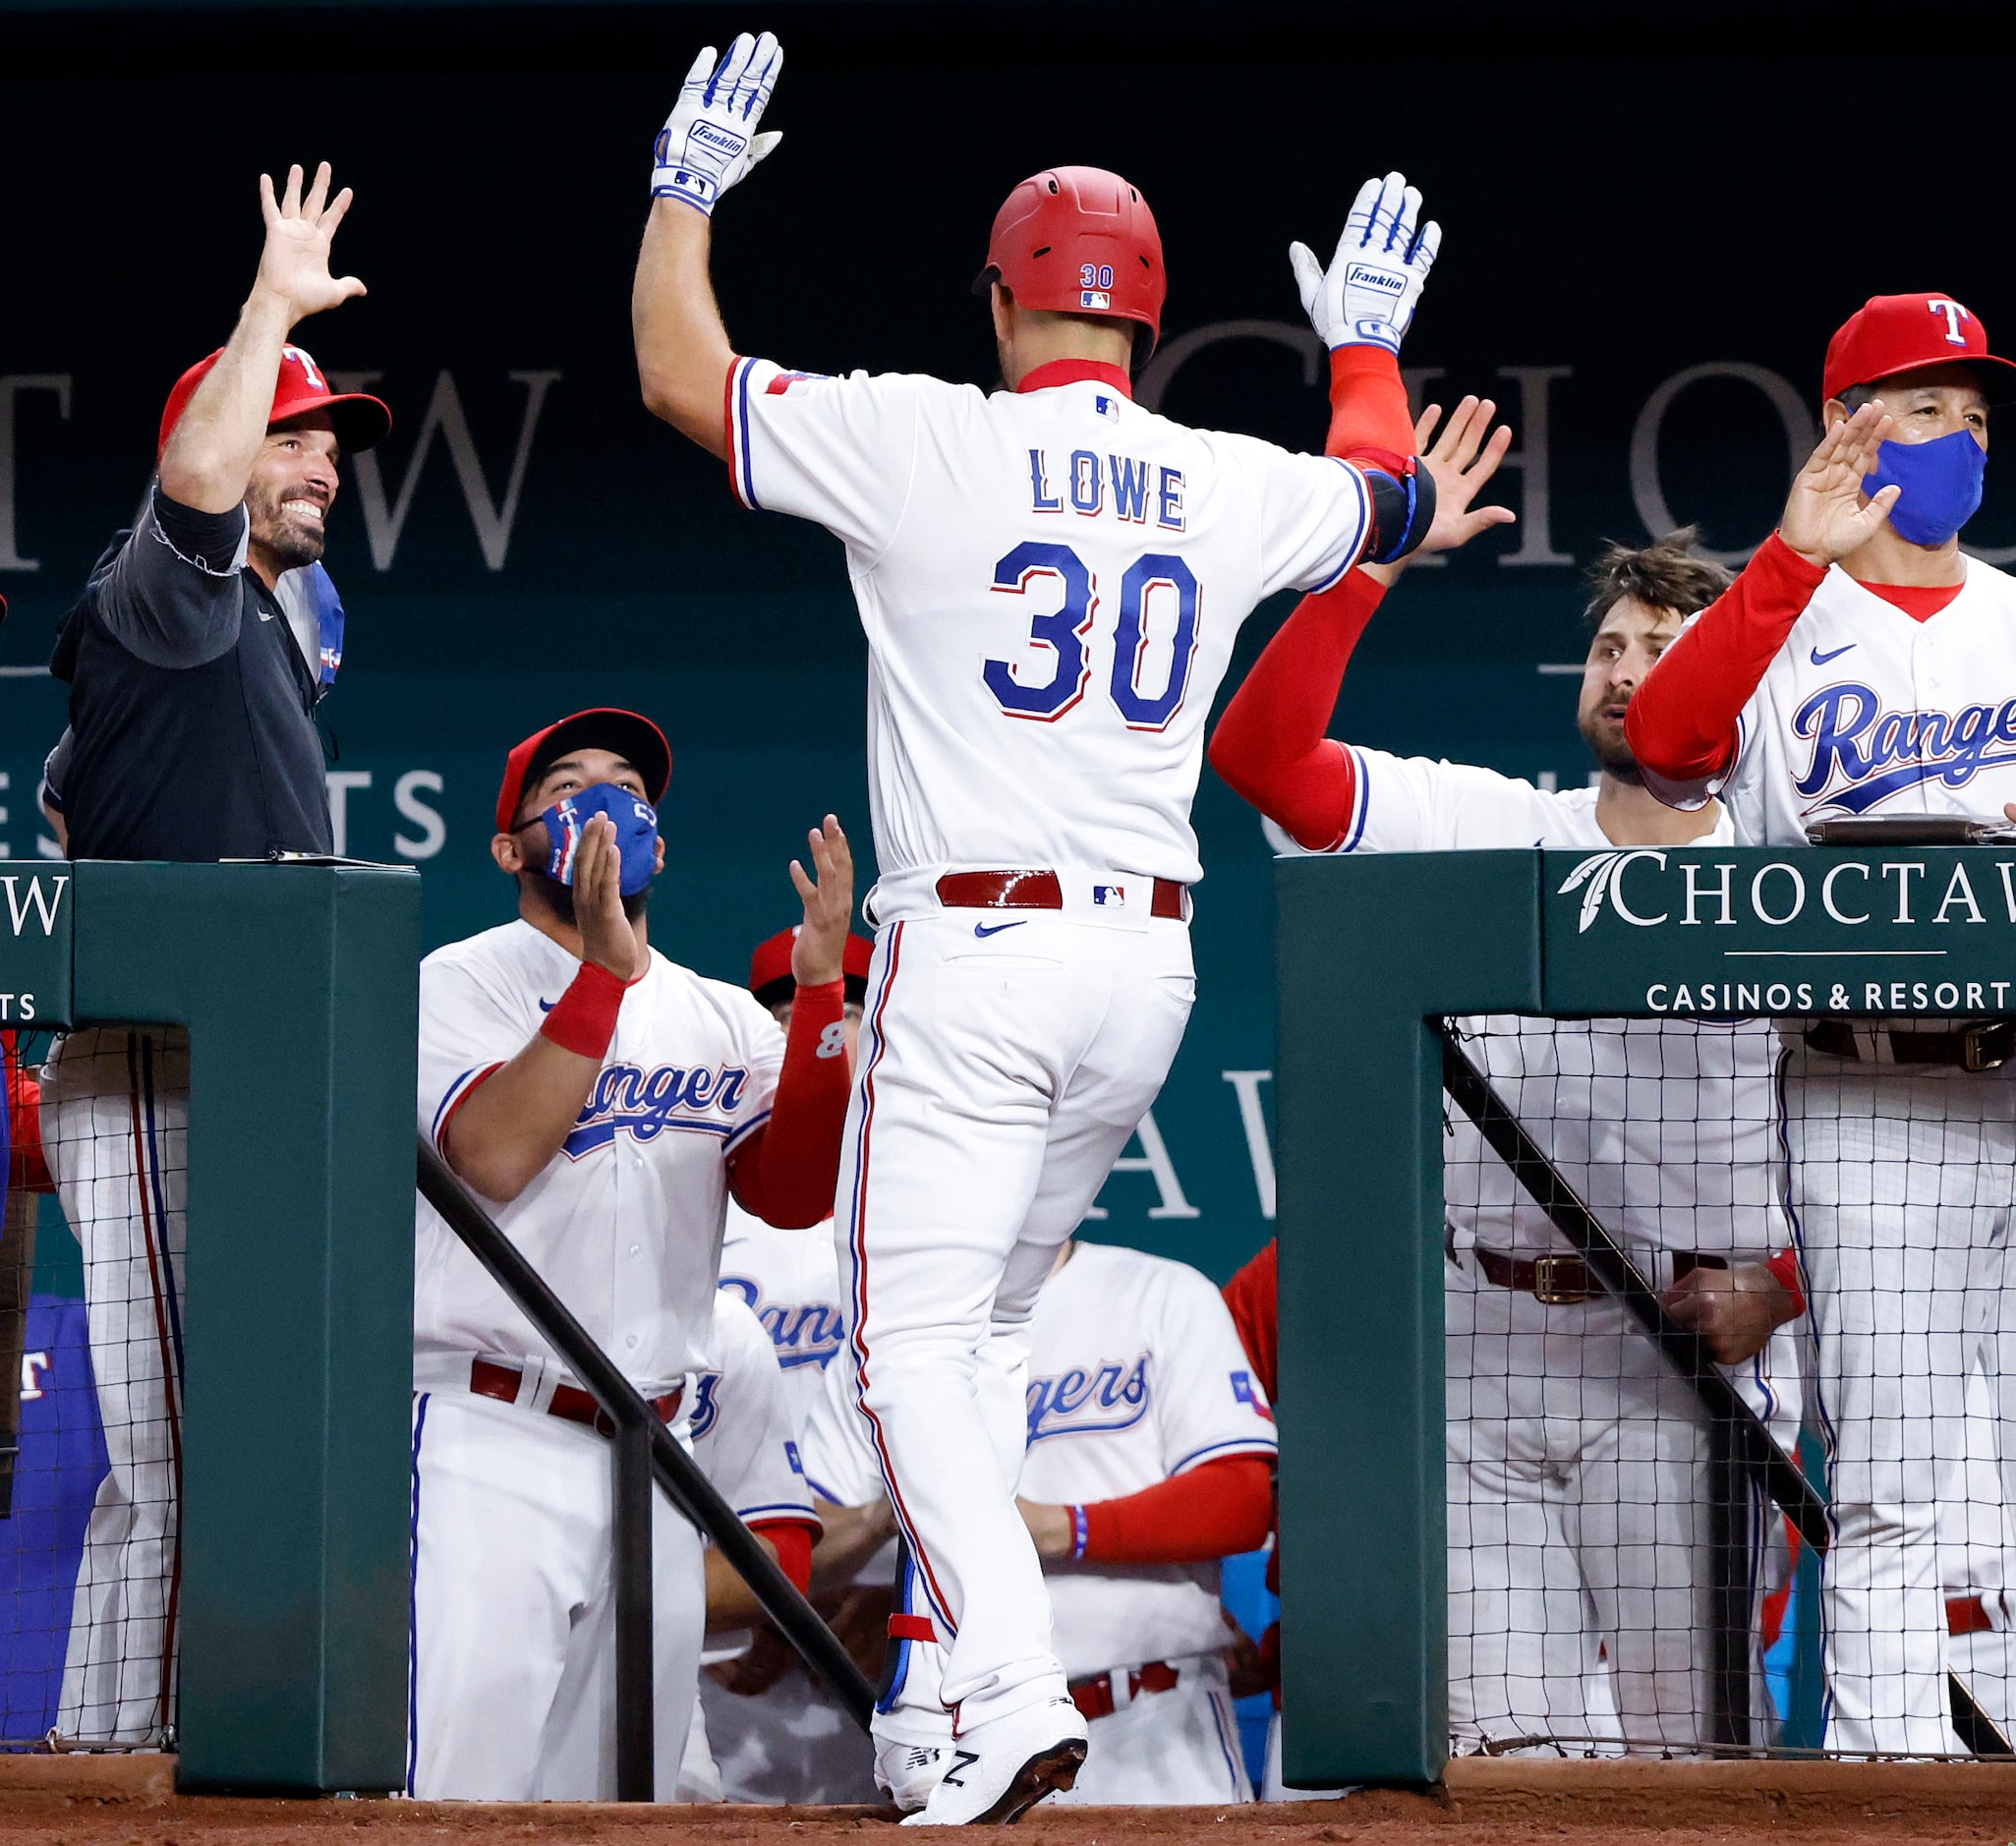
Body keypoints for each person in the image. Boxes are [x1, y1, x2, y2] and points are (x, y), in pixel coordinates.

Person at [631, 30, 1436, 1820]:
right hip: (1143, 969)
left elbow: (682, 374)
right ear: (1144, 326)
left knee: (907, 1346)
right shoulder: (1223, 473)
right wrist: (1363, 345)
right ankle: (938, 1692)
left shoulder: (929, 434)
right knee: (985, 1337)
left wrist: (683, 192)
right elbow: (1392, 489)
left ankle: (996, 1685)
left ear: (1005, 304)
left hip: (979, 953)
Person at [1209, 401, 1806, 1755]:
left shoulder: (1780, 885)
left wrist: (1783, 1289)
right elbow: (1259, 759)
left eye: (1663, 651)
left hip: (1672, 1353)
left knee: (1690, 1750)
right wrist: (1374, 556)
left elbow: (1897, 1144)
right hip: (1472, 1337)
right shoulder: (1492, 824)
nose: (1624, 669)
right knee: (1500, 1751)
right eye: (1606, 646)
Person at [1624, 293, 2016, 1755]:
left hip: (2014, 1070)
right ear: (1844, 427)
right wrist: (1792, 557)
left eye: (1973, 415)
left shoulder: (2012, 614)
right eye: (1921, 407)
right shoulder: (1784, 613)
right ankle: (1888, 1793)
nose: (1958, 437)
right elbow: (1665, 747)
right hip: (1863, 1088)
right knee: (1900, 1484)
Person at [38, 161, 388, 1749]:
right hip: (159, 1058)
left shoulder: (256, 631)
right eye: (293, 435)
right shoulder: (166, 598)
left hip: (242, 1067)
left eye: (331, 443)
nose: (321, 462)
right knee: (183, 1455)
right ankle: (131, 1769)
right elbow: (190, 489)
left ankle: (135, 1752)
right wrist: (269, 308)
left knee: (224, 1447)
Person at [407, 707, 855, 1798]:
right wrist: (604, 975)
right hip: (485, 1436)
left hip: (653, 1453)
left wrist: (823, 993)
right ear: (508, 849)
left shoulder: (717, 1016)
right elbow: (497, 1152)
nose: (605, 801)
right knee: (459, 1789)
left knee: (618, 1803)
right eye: (568, 787)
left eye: (627, 786)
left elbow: (793, 1201)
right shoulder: (453, 982)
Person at [811, 1238, 1277, 1811]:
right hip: (950, 1751)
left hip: (1148, 1726)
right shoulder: (891, 1337)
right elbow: (803, 1549)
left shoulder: (1160, 1292)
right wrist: (905, 1513)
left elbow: (1240, 1500)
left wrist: (1044, 1527)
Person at [702, 922, 891, 1804]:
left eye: (844, 1008)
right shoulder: (699, 1215)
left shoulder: (931, 1220)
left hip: (883, 1630)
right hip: (724, 1642)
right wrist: (753, 1594)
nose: (812, 1031)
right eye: (779, 1015)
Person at [674, 1289, 823, 1801]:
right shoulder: (452, 1315)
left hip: (658, 1673)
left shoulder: (721, 1326)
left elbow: (784, 1555)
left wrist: (634, 1605)